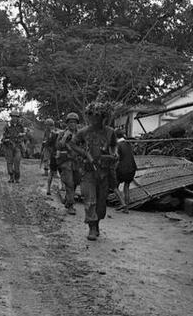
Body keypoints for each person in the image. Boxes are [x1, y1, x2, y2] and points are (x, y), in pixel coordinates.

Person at [71, 102, 118, 241]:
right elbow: (73, 144)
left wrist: (114, 154)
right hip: (88, 171)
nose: (96, 119)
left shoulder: (110, 132)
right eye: (93, 116)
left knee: (101, 204)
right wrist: (84, 154)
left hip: (104, 172)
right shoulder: (84, 132)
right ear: (90, 116)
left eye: (100, 116)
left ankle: (96, 223)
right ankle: (91, 226)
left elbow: (114, 145)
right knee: (90, 200)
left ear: (105, 117)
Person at [56, 113, 82, 214]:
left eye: (74, 122)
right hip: (66, 162)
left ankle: (68, 199)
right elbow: (58, 146)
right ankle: (71, 205)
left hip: (77, 162)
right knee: (69, 183)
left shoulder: (80, 134)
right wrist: (64, 138)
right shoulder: (62, 133)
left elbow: (85, 146)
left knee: (76, 181)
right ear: (67, 123)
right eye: (70, 122)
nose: (72, 124)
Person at [114, 129, 137, 214]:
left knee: (114, 186)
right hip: (132, 169)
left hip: (123, 169)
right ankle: (126, 208)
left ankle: (123, 204)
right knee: (126, 187)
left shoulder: (118, 145)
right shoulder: (128, 143)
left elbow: (117, 158)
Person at [0, 110, 26, 183]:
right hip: (9, 146)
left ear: (18, 117)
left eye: (16, 117)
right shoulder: (7, 126)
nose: (14, 118)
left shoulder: (21, 126)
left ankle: (17, 178)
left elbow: (24, 135)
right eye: (13, 116)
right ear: (11, 117)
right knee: (9, 162)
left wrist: (22, 135)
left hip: (18, 146)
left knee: (17, 162)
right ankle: (11, 177)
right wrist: (5, 140)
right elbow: (3, 136)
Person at [41, 118, 59, 190]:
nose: (47, 126)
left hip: (54, 147)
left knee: (55, 160)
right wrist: (44, 143)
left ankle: (55, 173)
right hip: (47, 146)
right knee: (46, 158)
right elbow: (45, 138)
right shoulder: (46, 131)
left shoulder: (55, 130)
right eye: (46, 125)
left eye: (48, 125)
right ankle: (46, 171)